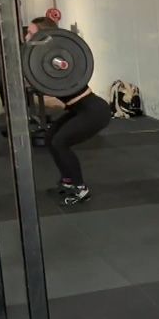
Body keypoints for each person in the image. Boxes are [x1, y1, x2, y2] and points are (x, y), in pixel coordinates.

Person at [26, 17, 110, 205]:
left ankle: (80, 188)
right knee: (50, 138)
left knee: (60, 142)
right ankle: (68, 181)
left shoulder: (58, 59)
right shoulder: (41, 59)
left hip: (94, 111)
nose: (26, 36)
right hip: (79, 109)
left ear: (42, 35)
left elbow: (50, 89)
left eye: (30, 33)